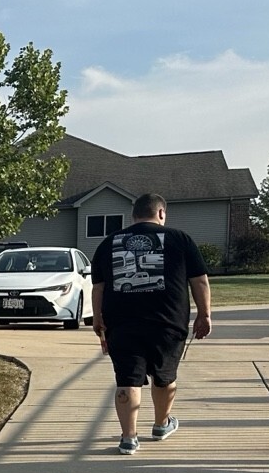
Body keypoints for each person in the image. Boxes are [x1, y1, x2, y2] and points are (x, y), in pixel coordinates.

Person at [90, 193, 211, 455]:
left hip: (121, 325)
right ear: (161, 213)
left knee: (127, 380)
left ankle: (128, 438)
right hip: (167, 323)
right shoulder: (180, 239)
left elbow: (98, 287)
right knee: (165, 377)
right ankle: (160, 424)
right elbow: (199, 281)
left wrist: (98, 319)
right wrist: (204, 314)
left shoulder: (108, 243)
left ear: (133, 216)